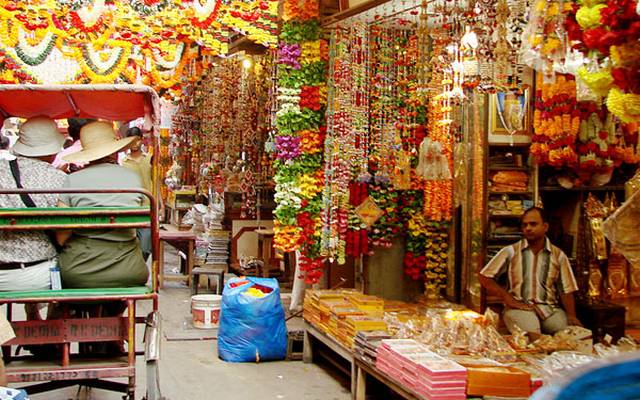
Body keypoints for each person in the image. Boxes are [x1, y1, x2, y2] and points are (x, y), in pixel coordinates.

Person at [56, 121, 148, 293]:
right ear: (115, 151)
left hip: (79, 270)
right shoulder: (132, 179)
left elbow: (61, 237)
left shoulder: (72, 180)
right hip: (129, 270)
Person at [478, 206, 581, 336]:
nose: (528, 228)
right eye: (524, 225)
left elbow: (566, 289)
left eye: (533, 224)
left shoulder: (558, 255)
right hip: (519, 308)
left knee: (566, 335)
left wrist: (572, 315)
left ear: (545, 227)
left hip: (550, 309)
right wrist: (508, 298)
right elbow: (484, 276)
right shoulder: (511, 251)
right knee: (533, 333)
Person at [0, 117, 66, 303]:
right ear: (52, 150)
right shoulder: (59, 179)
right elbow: (63, 236)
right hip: (41, 275)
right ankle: (53, 321)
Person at [120, 127, 152, 260]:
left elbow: (155, 181)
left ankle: (140, 266)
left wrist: (160, 204)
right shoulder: (123, 163)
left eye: (137, 140)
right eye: (132, 141)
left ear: (142, 140)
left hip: (148, 207)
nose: (135, 144)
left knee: (145, 247)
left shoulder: (150, 159)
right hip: (131, 207)